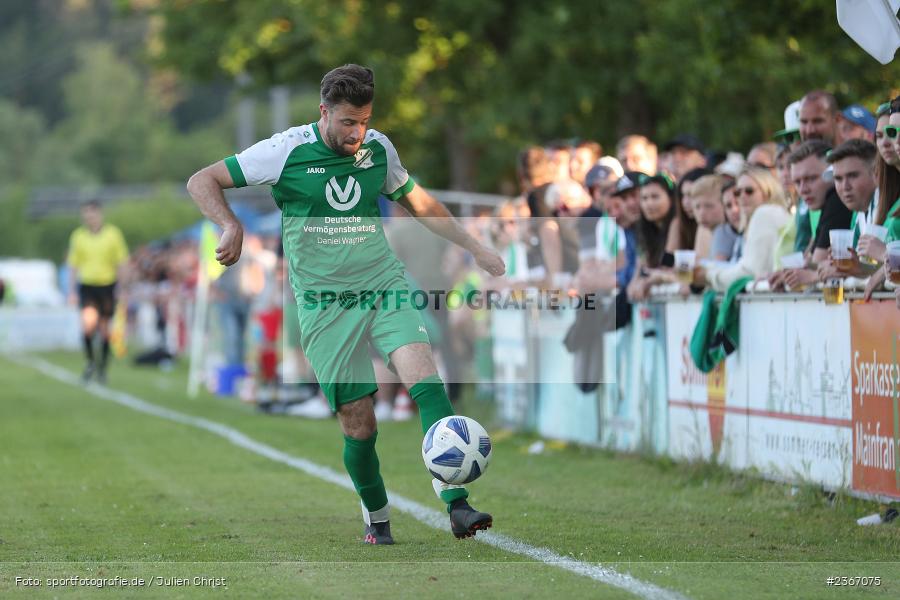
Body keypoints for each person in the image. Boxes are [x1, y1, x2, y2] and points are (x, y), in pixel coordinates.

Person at [185, 64, 504, 544]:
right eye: (348, 123)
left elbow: (421, 204)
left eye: (365, 121)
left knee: (425, 380)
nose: (359, 133)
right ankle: (377, 522)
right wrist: (230, 224)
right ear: (324, 112)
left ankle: (457, 506)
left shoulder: (379, 149)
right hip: (323, 305)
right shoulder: (283, 151)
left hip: (382, 283)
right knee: (360, 422)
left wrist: (474, 246)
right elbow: (201, 180)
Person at [695, 167, 791, 292]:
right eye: (738, 192)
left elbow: (749, 272)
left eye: (749, 191)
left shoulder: (765, 213)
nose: (742, 197)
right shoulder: (767, 215)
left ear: (767, 192)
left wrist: (708, 276)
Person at [67, 200, 129, 384]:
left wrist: (123, 287)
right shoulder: (78, 236)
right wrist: (71, 290)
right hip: (87, 286)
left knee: (104, 330)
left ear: (99, 214)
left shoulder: (113, 235)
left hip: (107, 286)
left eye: (91, 214)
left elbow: (122, 261)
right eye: (85, 214)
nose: (88, 217)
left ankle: (102, 368)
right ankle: (90, 362)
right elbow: (73, 265)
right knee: (88, 324)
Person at [817, 139, 880, 282]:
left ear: (876, 173)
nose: (845, 186)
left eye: (852, 176)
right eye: (838, 179)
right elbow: (862, 268)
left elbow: (892, 269)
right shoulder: (858, 214)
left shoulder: (892, 209)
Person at [689, 174, 727, 260]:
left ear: (725, 204)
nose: (702, 213)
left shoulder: (729, 232)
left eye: (709, 206)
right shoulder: (703, 228)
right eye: (697, 207)